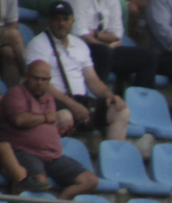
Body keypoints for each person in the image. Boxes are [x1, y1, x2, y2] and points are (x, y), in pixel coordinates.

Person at [24, 2, 130, 141]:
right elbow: (41, 84)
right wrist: (72, 105)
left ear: (72, 21)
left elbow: (92, 80)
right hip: (53, 101)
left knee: (121, 111)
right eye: (56, 19)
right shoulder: (38, 44)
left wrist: (109, 95)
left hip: (80, 100)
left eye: (65, 19)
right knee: (65, 117)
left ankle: (112, 159)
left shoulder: (80, 44)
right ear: (49, 21)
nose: (61, 24)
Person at [0, 59, 100, 198]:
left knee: (90, 181)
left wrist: (56, 132)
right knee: (39, 183)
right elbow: (20, 120)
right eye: (36, 78)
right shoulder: (15, 94)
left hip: (52, 156)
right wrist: (45, 118)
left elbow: (47, 126)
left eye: (44, 80)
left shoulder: (49, 99)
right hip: (24, 151)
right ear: (26, 76)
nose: (40, 83)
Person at [72, 0, 157, 91]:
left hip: (108, 47)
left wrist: (97, 35)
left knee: (149, 56)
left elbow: (117, 34)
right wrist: (105, 44)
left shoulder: (113, 1)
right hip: (83, 49)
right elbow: (82, 35)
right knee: (104, 52)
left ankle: (139, 100)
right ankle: (100, 100)